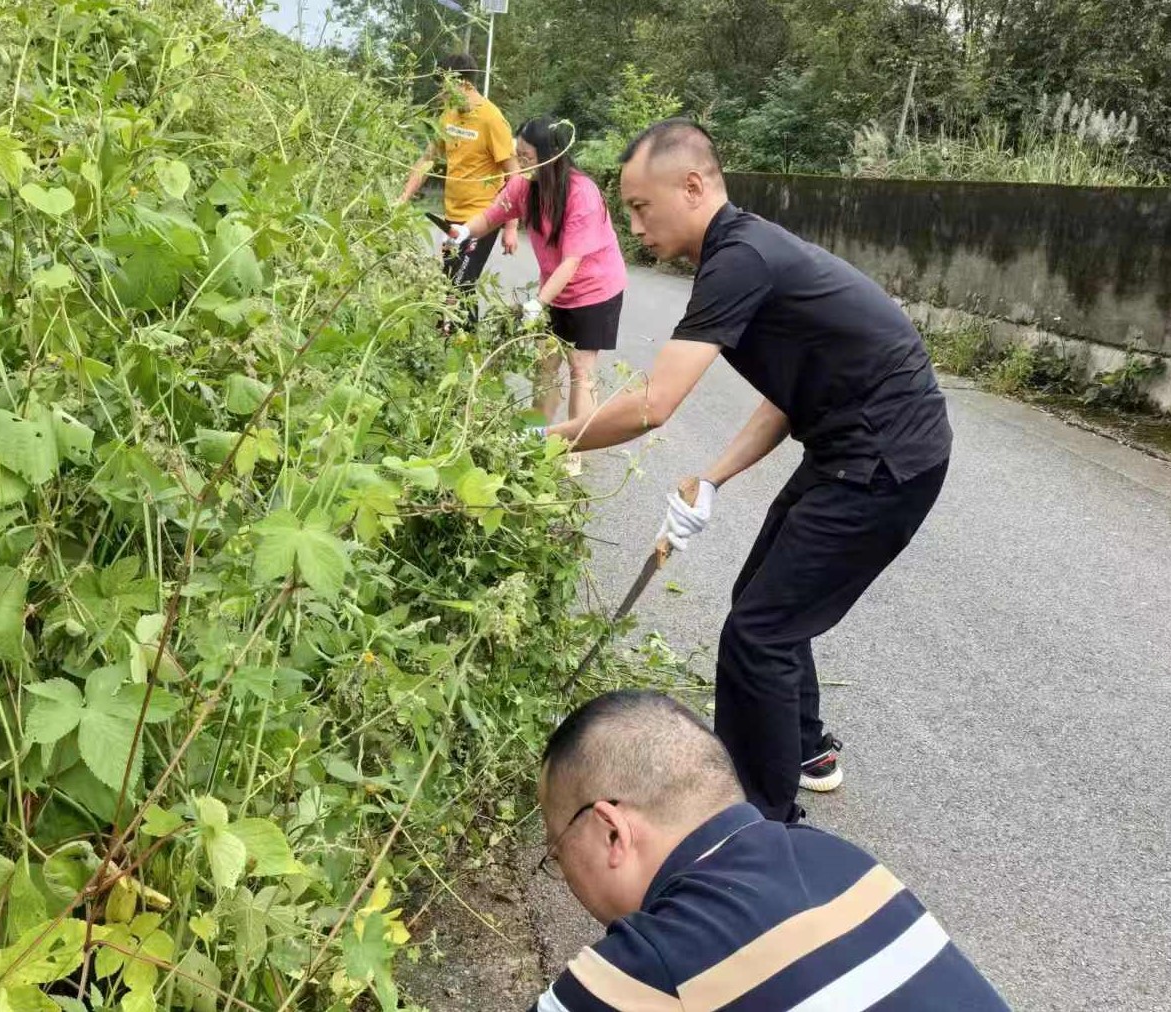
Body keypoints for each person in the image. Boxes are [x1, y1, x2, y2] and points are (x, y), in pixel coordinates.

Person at [543, 119, 953, 823]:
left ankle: (762, 823)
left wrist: (540, 443)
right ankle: (806, 750)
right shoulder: (742, 252)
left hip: (885, 462)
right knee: (762, 604)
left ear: (692, 186)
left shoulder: (740, 259)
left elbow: (653, 404)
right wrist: (713, 477)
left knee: (758, 634)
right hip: (848, 448)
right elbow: (789, 395)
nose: (632, 226)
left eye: (640, 206)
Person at [532, 690, 1010, 1011]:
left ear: (611, 832)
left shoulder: (647, 965)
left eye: (557, 852)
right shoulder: (841, 860)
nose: (564, 871)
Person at [449, 116, 627, 476]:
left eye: (526, 156)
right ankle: (536, 438)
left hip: (594, 290)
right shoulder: (523, 186)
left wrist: (537, 303)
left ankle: (573, 450)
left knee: (580, 370)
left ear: (551, 155)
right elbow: (492, 216)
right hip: (553, 289)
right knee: (545, 365)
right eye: (518, 155)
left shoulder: (581, 193)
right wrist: (465, 231)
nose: (520, 163)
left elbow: (572, 262)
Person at [398, 53, 519, 331]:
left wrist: (511, 226)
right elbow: (427, 159)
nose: (440, 95)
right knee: (451, 284)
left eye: (443, 87)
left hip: (483, 218)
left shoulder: (491, 119)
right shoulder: (448, 116)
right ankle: (460, 343)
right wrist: (404, 197)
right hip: (452, 216)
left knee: (460, 284)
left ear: (461, 83)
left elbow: (515, 175)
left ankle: (456, 340)